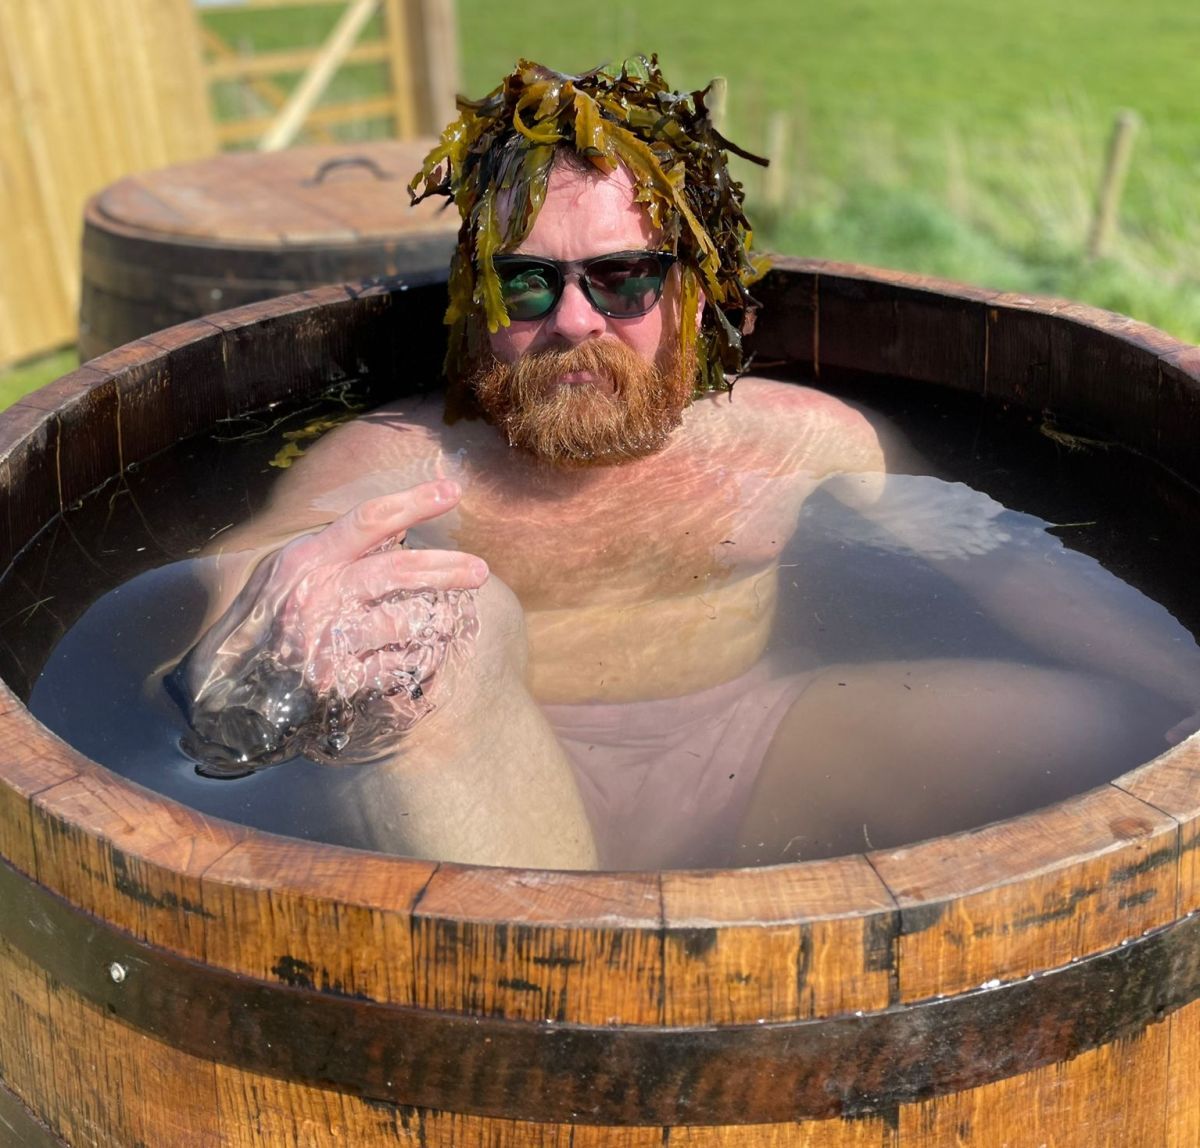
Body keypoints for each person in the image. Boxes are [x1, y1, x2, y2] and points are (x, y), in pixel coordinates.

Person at [172, 58, 1200, 870]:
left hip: (752, 751)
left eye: (621, 278)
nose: (575, 320)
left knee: (1110, 727)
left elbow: (1001, 560)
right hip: (493, 794)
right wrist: (259, 635)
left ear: (692, 298)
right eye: (526, 286)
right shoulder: (402, 464)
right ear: (478, 307)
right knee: (442, 619)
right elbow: (223, 614)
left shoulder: (797, 440)